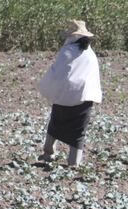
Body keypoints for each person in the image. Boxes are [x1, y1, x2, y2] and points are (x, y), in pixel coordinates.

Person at [37, 20, 102, 167]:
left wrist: (50, 86)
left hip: (64, 97)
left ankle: (48, 152)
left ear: (72, 37)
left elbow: (57, 73)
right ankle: (73, 162)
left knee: (56, 123)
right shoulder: (90, 54)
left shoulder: (67, 51)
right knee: (78, 132)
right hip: (84, 98)